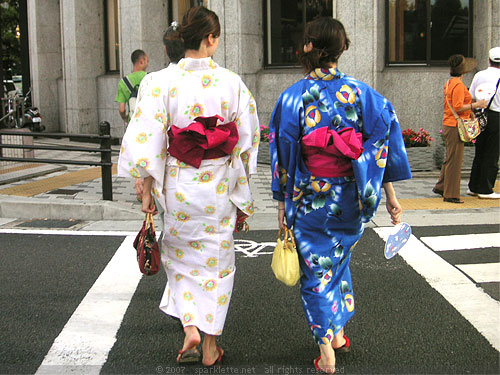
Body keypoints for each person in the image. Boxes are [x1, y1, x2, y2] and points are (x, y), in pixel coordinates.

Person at [118, 6, 259, 366]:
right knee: (217, 262)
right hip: (218, 186)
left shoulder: (159, 82)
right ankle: (210, 344)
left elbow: (148, 138)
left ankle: (190, 327)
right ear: (211, 39)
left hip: (180, 186)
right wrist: (243, 193)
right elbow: (246, 141)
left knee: (180, 259)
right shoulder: (232, 82)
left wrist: (147, 190)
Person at [269, 17, 411, 373]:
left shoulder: (292, 97)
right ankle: (338, 334)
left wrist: (284, 201)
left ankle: (326, 352)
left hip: (309, 198)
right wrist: (388, 193)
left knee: (316, 272)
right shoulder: (363, 93)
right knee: (339, 261)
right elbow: (379, 145)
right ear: (341, 48)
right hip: (350, 197)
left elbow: (283, 155)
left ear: (307, 47)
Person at [433, 54, 488, 203]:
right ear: (464, 70)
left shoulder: (450, 83)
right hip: (455, 125)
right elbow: (457, 107)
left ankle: (441, 186)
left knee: (450, 157)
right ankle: (450, 194)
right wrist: (476, 105)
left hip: (449, 124)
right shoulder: (458, 85)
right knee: (455, 161)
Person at [467, 47, 500, 199]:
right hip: (497, 117)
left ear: (489, 60)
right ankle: (486, 189)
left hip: (481, 115)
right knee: (492, 153)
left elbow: (471, 96)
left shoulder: (480, 75)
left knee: (480, 151)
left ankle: (473, 186)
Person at [115, 49, 149, 127]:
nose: (147, 64)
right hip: (149, 123)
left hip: (133, 124)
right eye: (147, 61)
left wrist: (126, 119)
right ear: (141, 61)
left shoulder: (123, 82)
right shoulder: (150, 77)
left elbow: (122, 110)